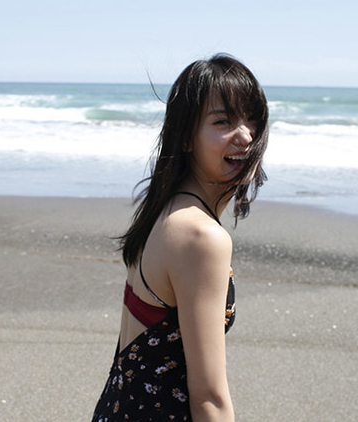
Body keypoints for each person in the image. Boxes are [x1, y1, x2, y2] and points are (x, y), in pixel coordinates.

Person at [91, 53, 269, 422]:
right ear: (186, 137)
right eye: (223, 121)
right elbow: (209, 397)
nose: (246, 135)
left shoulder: (163, 209)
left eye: (252, 119)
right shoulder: (200, 237)